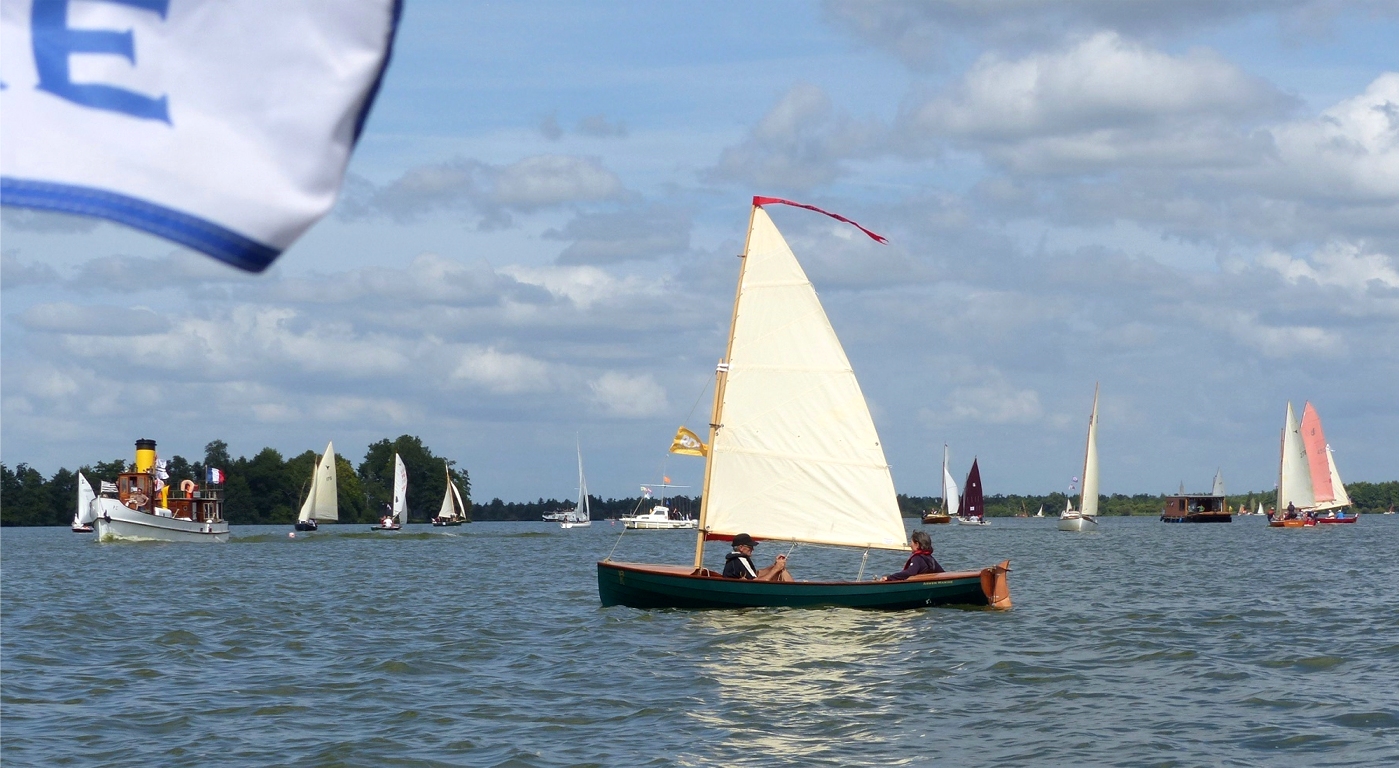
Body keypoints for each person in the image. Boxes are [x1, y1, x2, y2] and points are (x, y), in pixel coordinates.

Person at [877, 530, 945, 581]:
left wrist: (889, 578)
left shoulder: (917, 558)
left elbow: (910, 572)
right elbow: (942, 573)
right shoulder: (930, 558)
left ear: (917, 544)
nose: (910, 545)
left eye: (911, 542)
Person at [722, 533, 793, 581]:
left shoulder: (735, 559)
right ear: (741, 548)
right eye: (750, 547)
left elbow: (756, 574)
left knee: (781, 569)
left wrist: (775, 565)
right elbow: (755, 582)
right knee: (781, 570)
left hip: (739, 589)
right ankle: (794, 593)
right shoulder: (740, 559)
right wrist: (776, 569)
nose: (752, 549)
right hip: (743, 590)